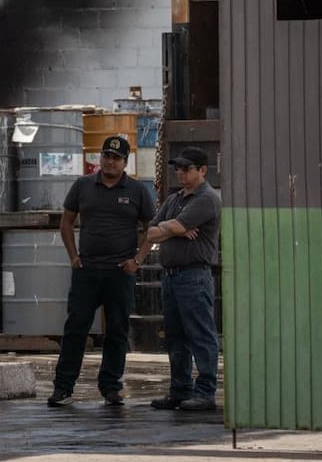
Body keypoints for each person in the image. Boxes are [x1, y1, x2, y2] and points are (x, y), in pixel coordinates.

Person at [46, 135, 154, 407]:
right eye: (106, 156)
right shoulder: (82, 186)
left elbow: (150, 229)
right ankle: (63, 387)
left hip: (120, 272)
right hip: (87, 270)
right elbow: (67, 222)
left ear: (125, 162)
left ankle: (111, 387)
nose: (109, 162)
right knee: (75, 328)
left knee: (117, 330)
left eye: (116, 158)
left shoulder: (137, 191)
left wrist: (138, 260)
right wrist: (73, 256)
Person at [138, 146, 221, 412]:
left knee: (200, 334)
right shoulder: (175, 200)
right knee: (176, 337)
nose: (181, 174)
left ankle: (205, 392)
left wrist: (174, 227)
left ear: (202, 170)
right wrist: (176, 228)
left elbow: (170, 227)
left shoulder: (206, 198)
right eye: (178, 169)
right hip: (172, 277)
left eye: (187, 169)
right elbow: (150, 233)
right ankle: (180, 390)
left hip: (194, 275)